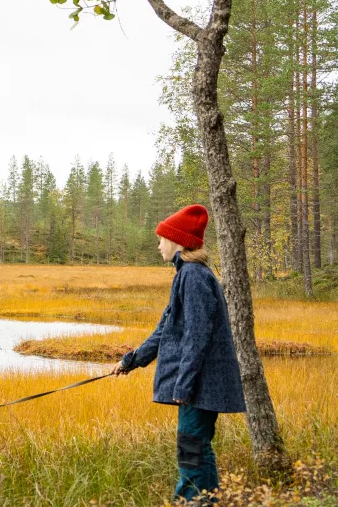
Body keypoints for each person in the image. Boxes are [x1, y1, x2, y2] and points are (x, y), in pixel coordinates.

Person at [112, 204, 246, 503]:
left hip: (200, 385)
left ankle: (191, 501)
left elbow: (197, 337)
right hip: (197, 385)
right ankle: (205, 501)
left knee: (192, 447)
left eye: (162, 238)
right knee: (196, 447)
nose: (158, 244)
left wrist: (183, 384)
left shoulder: (194, 277)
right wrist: (130, 361)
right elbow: (165, 329)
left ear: (178, 241)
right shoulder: (186, 275)